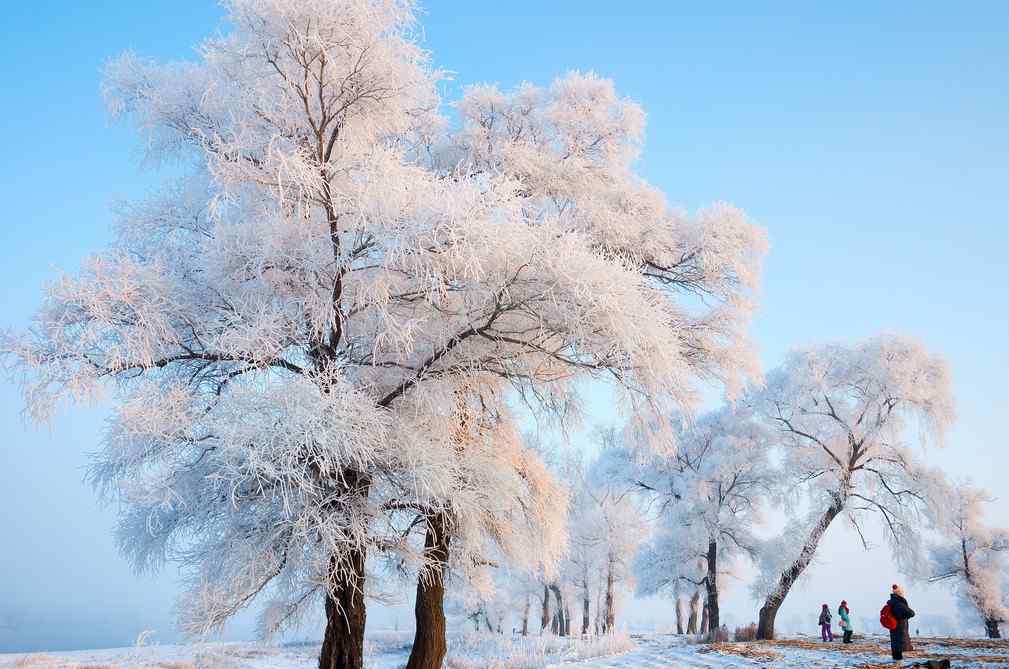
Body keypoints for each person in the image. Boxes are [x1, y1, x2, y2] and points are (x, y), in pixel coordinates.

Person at [888, 584, 916, 661]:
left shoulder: (892, 602)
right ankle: (898, 662)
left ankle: (896, 661)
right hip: (900, 627)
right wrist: (905, 616)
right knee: (899, 644)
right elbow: (911, 613)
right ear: (900, 594)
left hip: (894, 626)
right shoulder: (899, 604)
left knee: (896, 643)